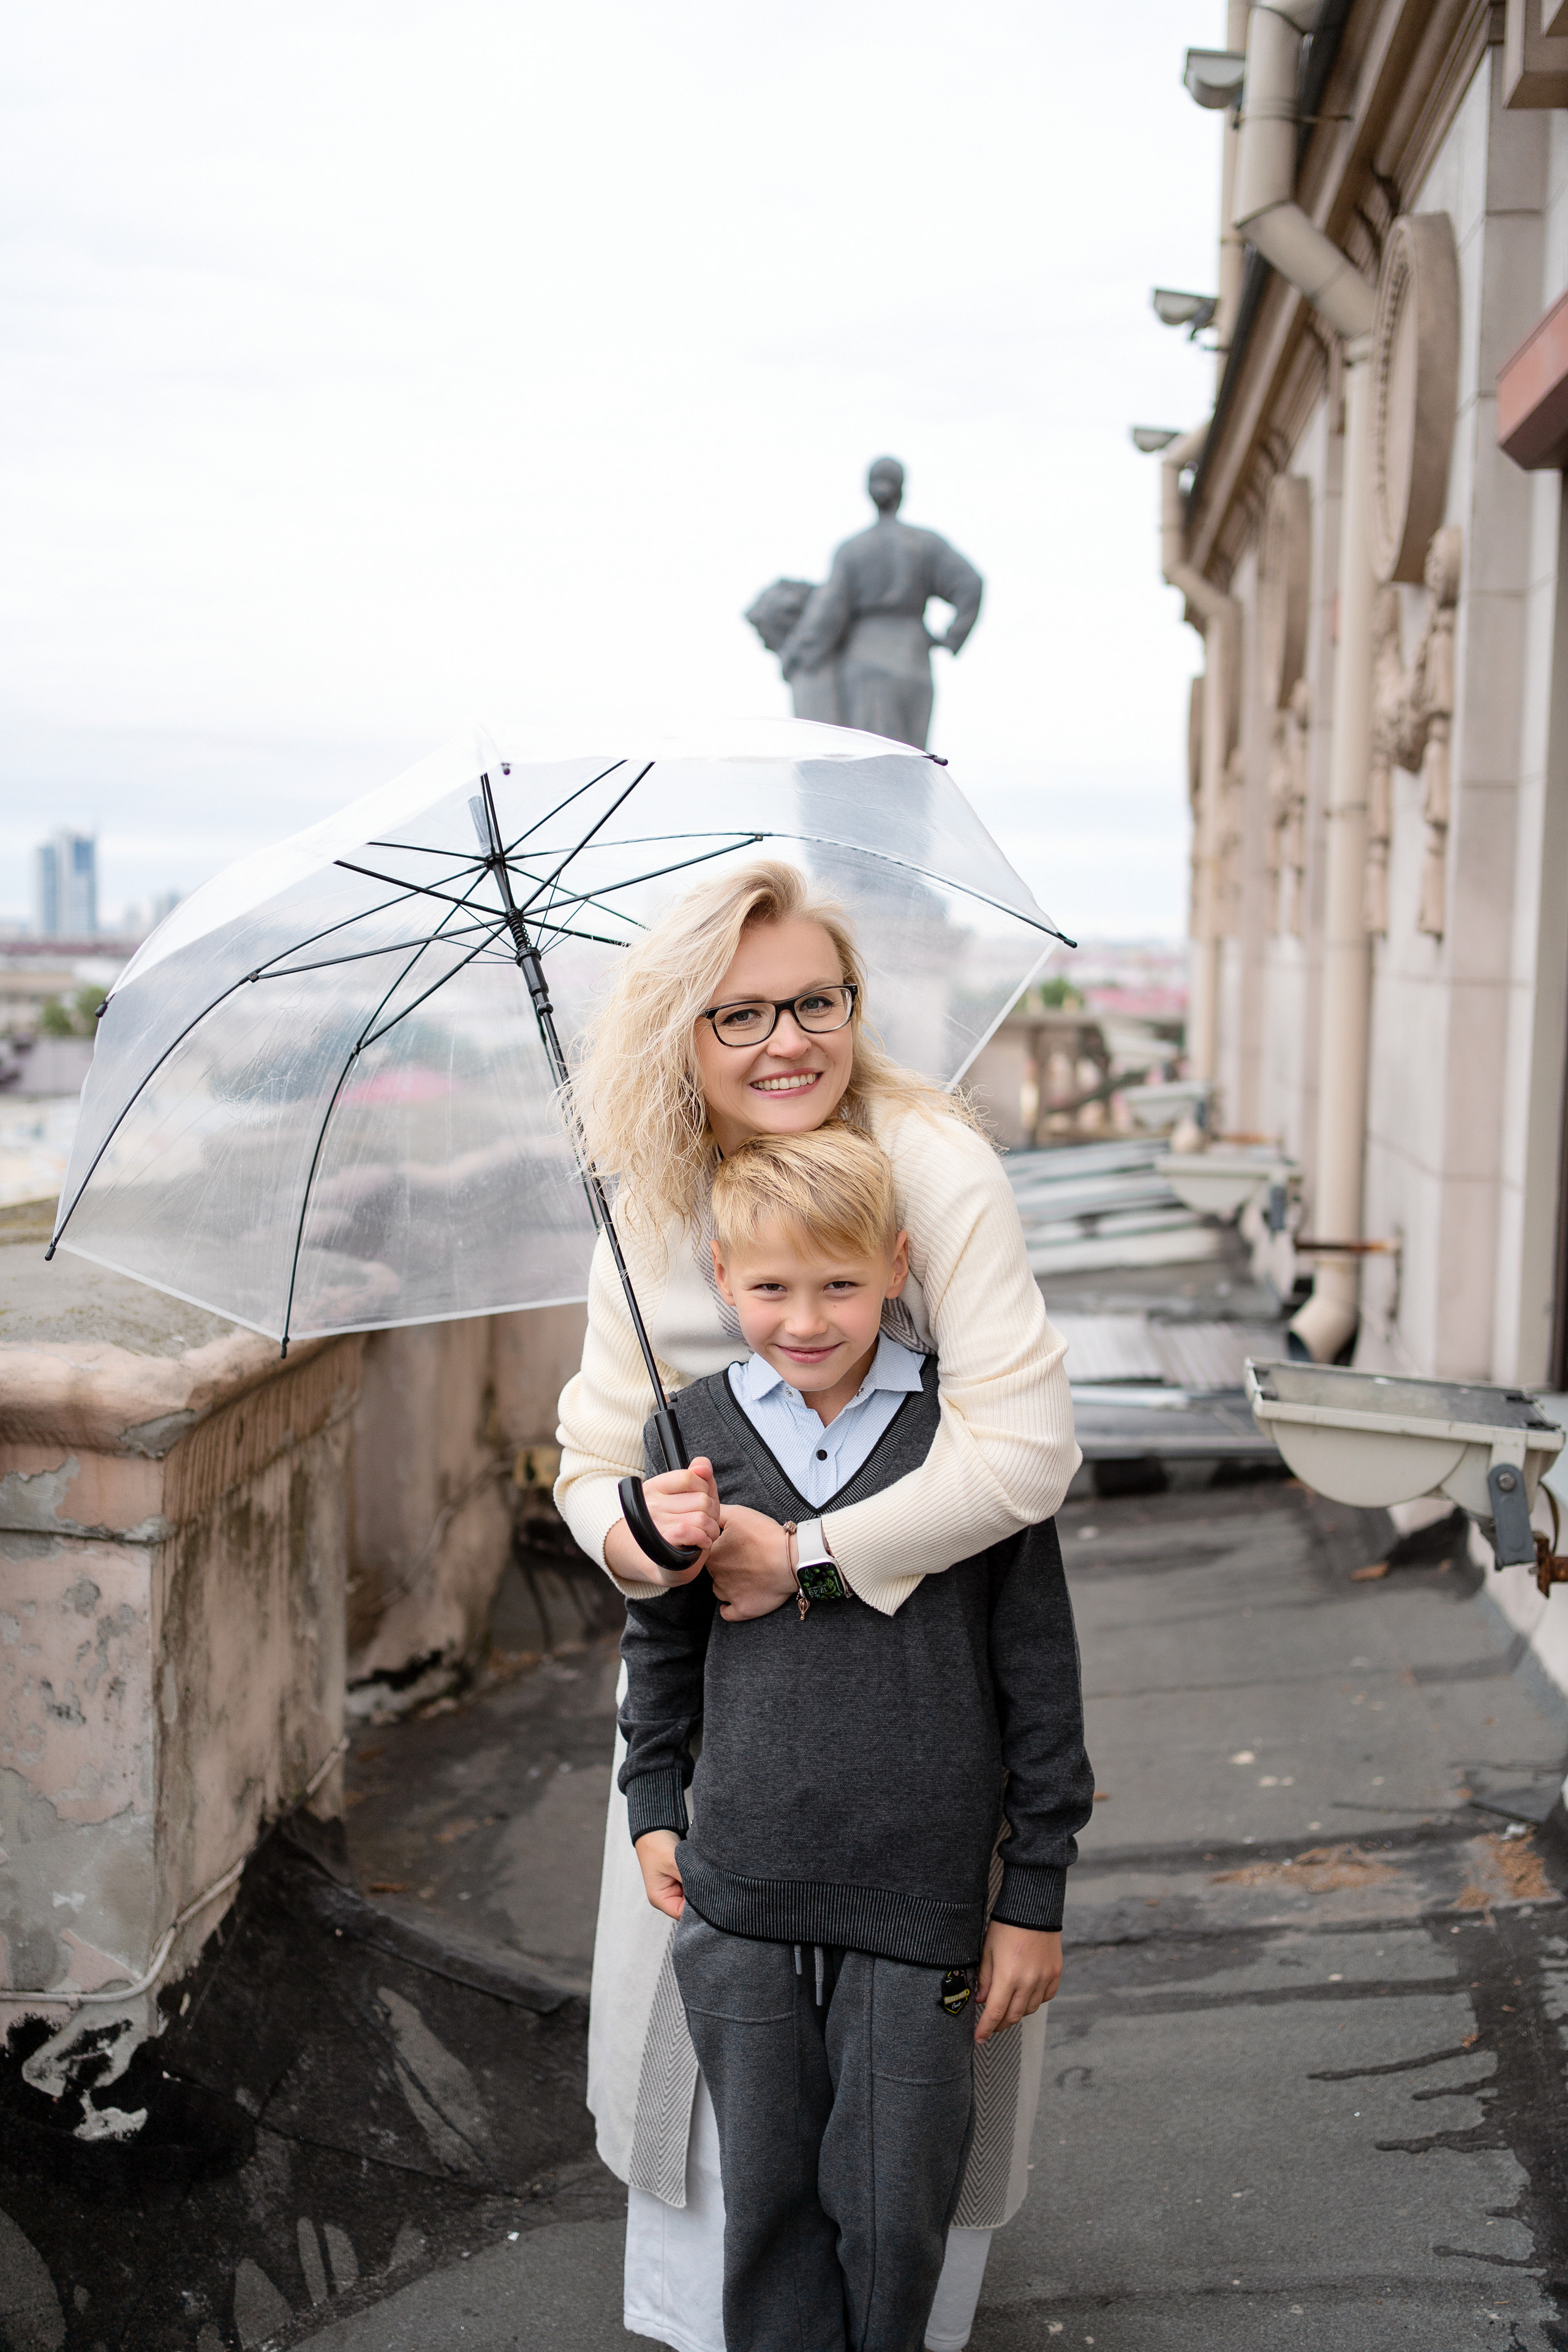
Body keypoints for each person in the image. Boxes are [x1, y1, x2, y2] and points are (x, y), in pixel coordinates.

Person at [553, 859, 1079, 2351]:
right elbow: (588, 1463)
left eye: (814, 1001)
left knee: (900, 2122)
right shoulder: (644, 1198)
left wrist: (804, 1555)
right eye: (740, 1013)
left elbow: (1022, 1454)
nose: (786, 1040)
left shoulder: (930, 1164)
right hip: (729, 1742)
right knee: (722, 2072)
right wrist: (646, 1543)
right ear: (680, 1028)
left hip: (916, 1713)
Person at [776, 458, 982, 750]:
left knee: (871, 761)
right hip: (914, 662)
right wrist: (953, 637)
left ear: (869, 491)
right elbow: (971, 584)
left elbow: (828, 615)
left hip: (867, 664)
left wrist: (798, 654)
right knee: (912, 759)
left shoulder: (853, 550)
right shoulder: (927, 544)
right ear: (902, 491)